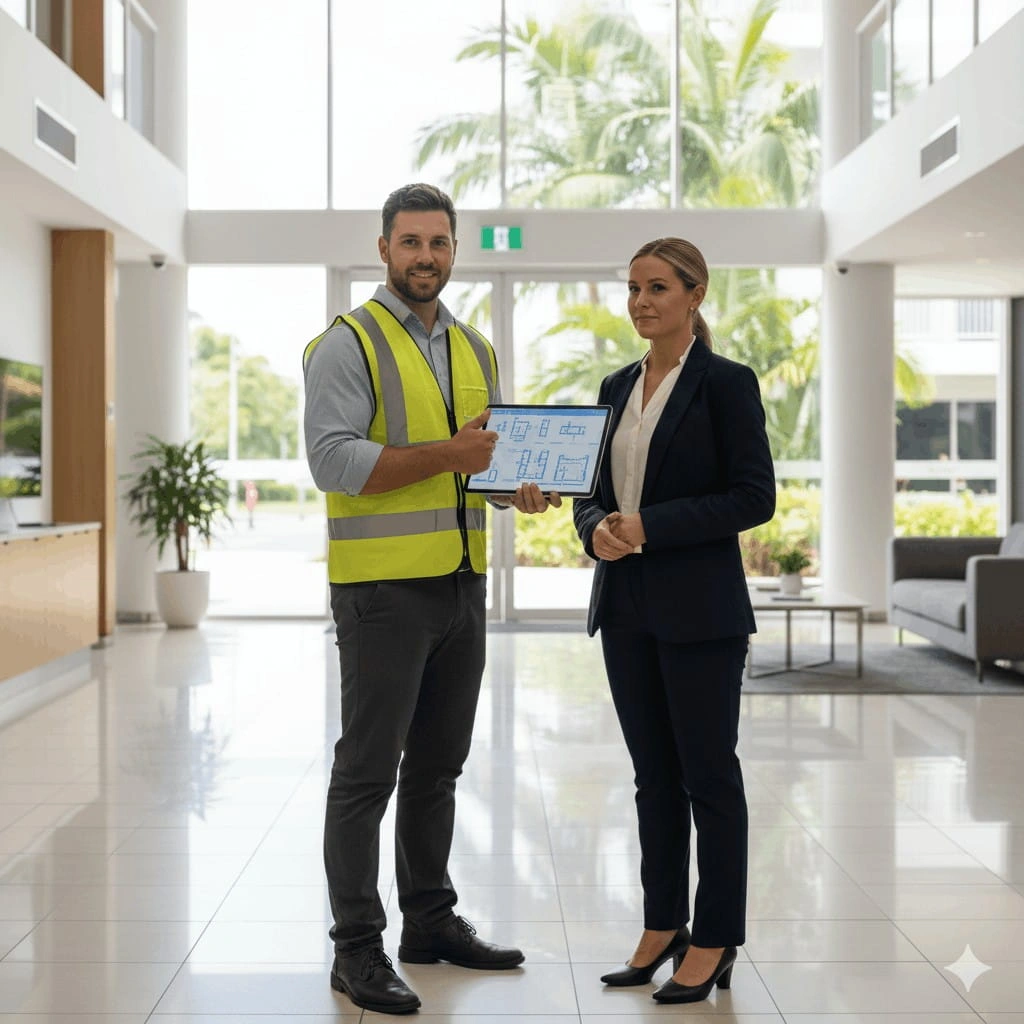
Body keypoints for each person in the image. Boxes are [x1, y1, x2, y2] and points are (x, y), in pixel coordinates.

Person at [302, 182, 560, 1016]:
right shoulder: (347, 343)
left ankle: (430, 922)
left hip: (459, 585)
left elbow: (472, 468)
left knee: (440, 768)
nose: (426, 258)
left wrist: (513, 488)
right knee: (367, 771)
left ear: (455, 251)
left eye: (439, 243)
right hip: (381, 592)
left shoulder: (475, 348)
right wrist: (451, 454)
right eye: (411, 242)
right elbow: (336, 462)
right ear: (384, 249)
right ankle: (355, 950)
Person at [573, 237, 775, 1005]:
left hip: (701, 612)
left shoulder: (727, 384)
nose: (640, 302)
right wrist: (593, 526)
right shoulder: (615, 384)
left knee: (708, 779)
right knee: (652, 778)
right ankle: (663, 925)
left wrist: (650, 525)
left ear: (695, 295)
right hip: (624, 607)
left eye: (657, 287)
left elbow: (754, 497)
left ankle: (715, 935)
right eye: (632, 289)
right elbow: (590, 491)